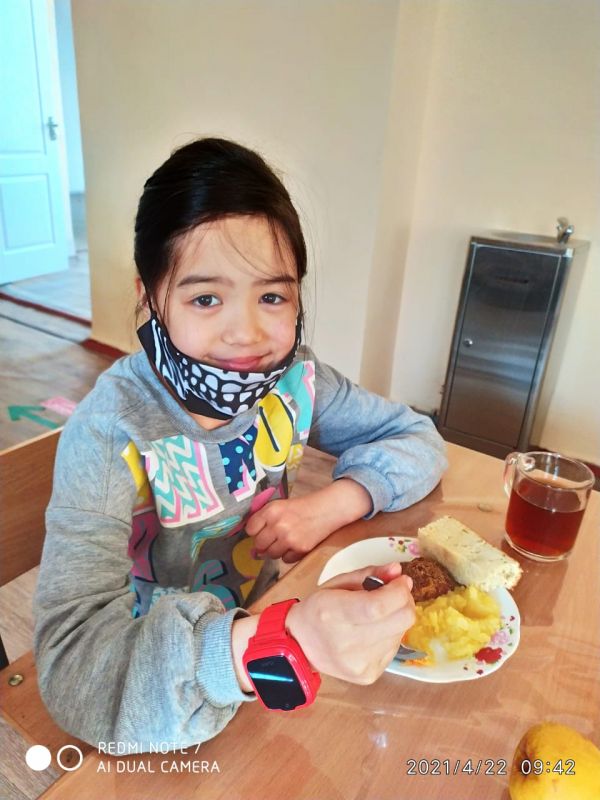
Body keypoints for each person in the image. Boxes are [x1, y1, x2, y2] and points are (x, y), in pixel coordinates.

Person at [34, 138, 447, 749]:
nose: (247, 335)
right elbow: (75, 668)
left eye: (272, 296)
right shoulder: (111, 431)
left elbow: (416, 436)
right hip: (162, 692)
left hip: (271, 634)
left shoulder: (295, 380)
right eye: (206, 298)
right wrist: (273, 642)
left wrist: (334, 504)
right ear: (150, 296)